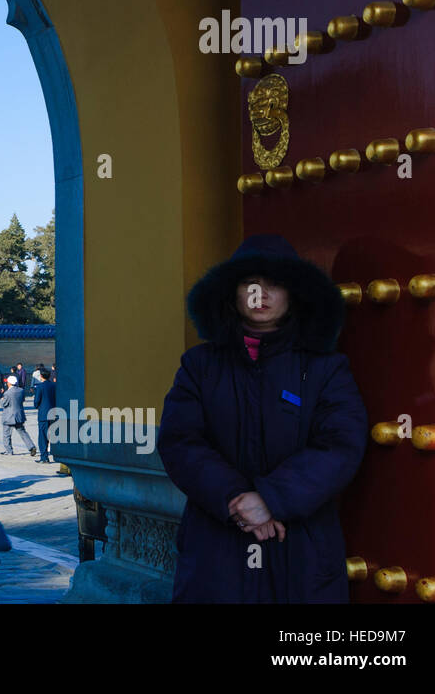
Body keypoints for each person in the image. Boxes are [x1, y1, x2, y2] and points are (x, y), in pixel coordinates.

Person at [158, 234, 367, 603]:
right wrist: (237, 499)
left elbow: (340, 443)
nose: (261, 294)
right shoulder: (200, 365)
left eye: (275, 284)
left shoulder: (325, 368)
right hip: (217, 540)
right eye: (250, 283)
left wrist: (272, 498)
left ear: (294, 294)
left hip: (300, 542)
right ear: (232, 293)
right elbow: (180, 441)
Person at [0, 375, 36, 457]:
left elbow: (4, 404)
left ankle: (9, 450)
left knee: (6, 434)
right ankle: (31, 446)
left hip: (9, 415)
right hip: (19, 415)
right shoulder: (21, 391)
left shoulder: (7, 393)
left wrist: (1, 400)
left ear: (9, 383)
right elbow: (22, 400)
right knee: (23, 432)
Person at [33, 368, 57, 463]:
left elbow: (36, 401)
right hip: (54, 413)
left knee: (43, 436)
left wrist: (37, 406)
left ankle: (44, 457)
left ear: (41, 376)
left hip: (43, 414)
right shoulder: (54, 385)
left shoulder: (40, 387)